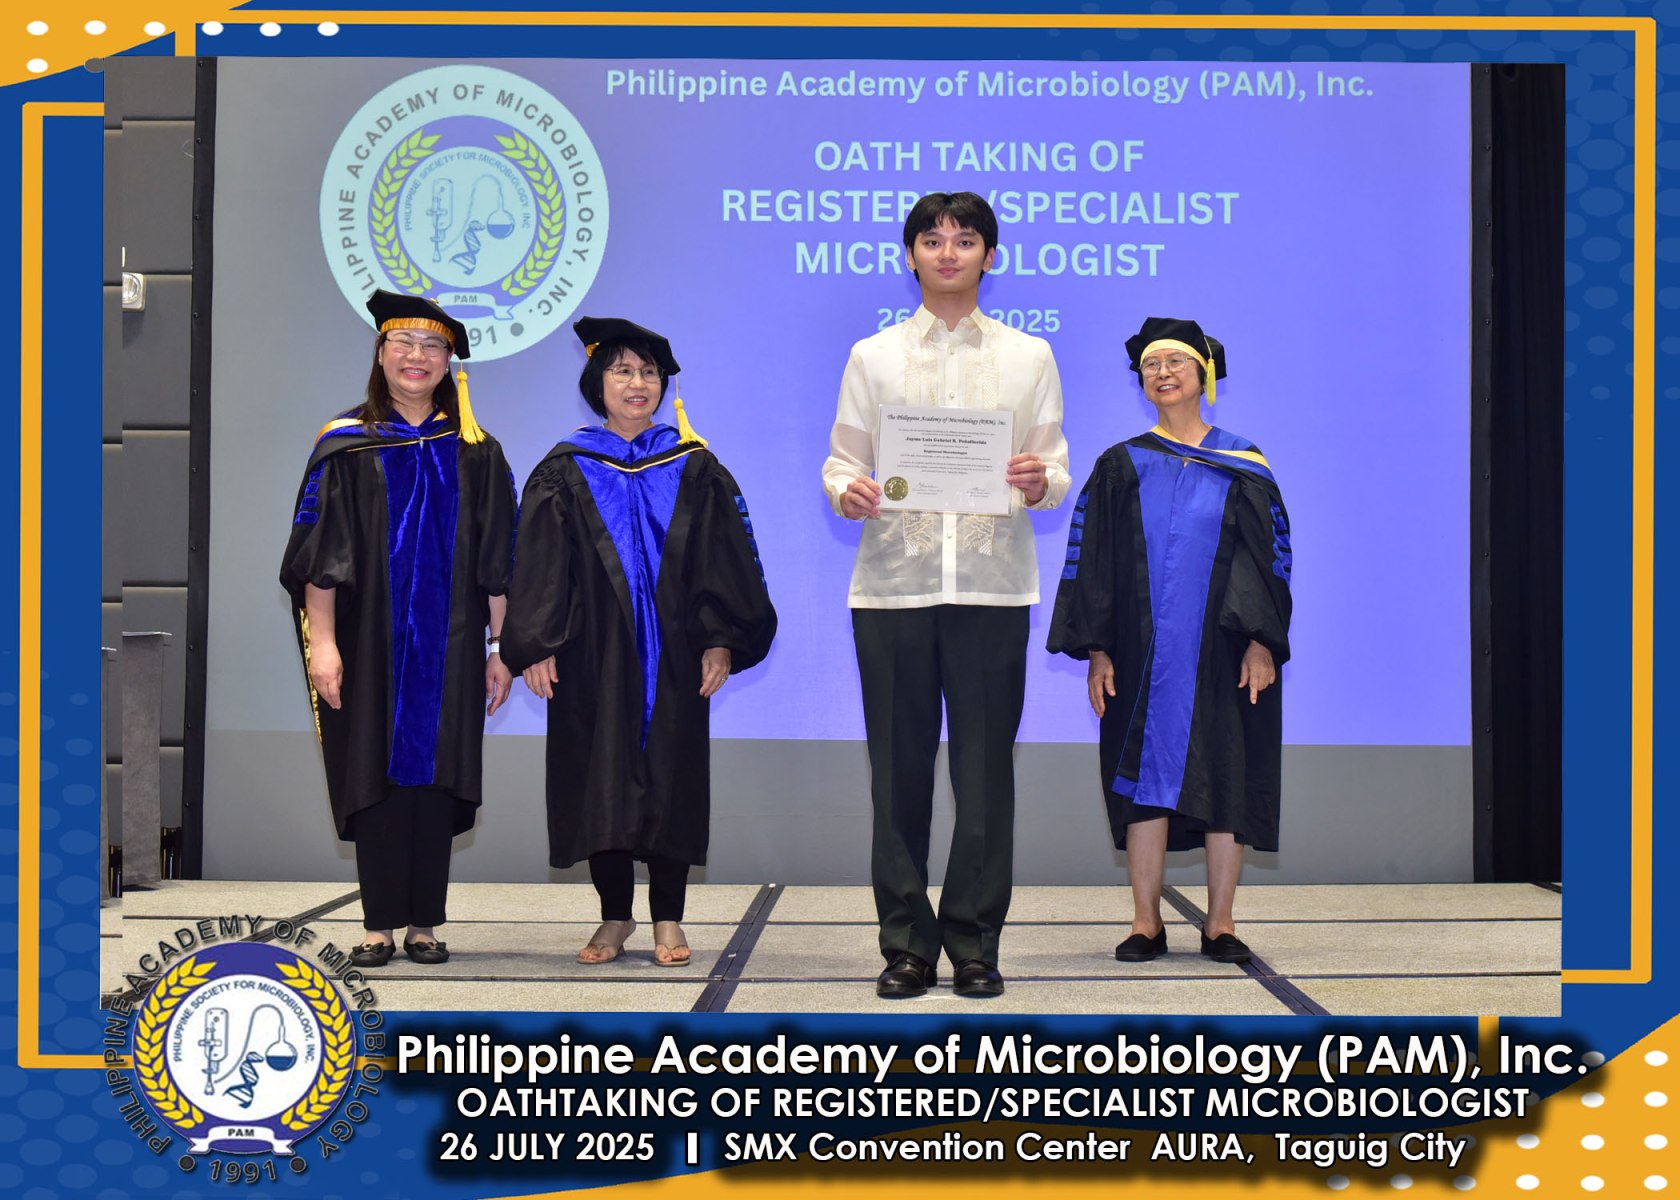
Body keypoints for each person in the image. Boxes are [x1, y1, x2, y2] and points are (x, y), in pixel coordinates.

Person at [821, 192, 1070, 999]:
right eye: (932, 240)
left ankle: (973, 944)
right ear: (911, 256)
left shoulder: (1030, 356)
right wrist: (850, 492)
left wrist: (1037, 480)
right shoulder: (874, 356)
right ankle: (905, 946)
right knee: (897, 776)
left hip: (993, 589)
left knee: (985, 776)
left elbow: (1055, 467)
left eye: (965, 240)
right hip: (894, 587)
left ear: (990, 257)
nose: (949, 252)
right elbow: (840, 464)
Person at [500, 317, 777, 967]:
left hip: (676, 652)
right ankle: (615, 916)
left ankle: (668, 918)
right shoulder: (566, 466)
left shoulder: (694, 465)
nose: (637, 382)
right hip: (590, 653)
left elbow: (723, 559)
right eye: (622, 370)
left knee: (672, 778)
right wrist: (536, 643)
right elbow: (537, 563)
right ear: (597, 384)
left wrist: (719, 639)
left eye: (649, 372)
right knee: (599, 780)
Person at [280, 290, 517, 968]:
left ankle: (424, 924)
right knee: (373, 774)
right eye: (404, 343)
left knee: (435, 780)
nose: (418, 356)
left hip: (452, 644)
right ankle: (378, 925)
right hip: (368, 643)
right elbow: (319, 558)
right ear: (381, 353)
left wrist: (499, 647)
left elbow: (500, 560)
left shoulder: (476, 451)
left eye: (433, 345)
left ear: (450, 363)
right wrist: (323, 645)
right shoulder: (345, 444)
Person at [1047, 316, 1292, 965]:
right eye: (1152, 364)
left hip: (1224, 653)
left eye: (1177, 362)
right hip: (1138, 655)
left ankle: (1221, 923)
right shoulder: (1119, 465)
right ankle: (1145, 921)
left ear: (1203, 374)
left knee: (1228, 778)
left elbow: (1267, 559)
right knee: (1142, 784)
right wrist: (1098, 649)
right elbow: (1093, 562)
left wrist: (1261, 642)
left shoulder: (1244, 464)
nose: (1163, 373)